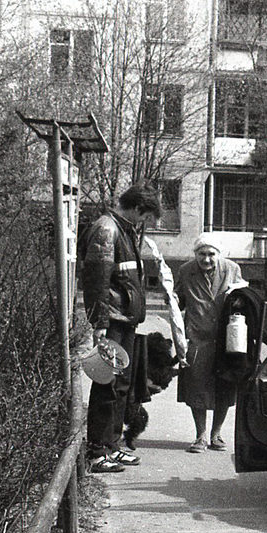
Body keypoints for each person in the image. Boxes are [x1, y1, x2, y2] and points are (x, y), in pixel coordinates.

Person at [80, 183, 163, 473]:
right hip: (112, 319)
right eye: (145, 216)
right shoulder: (107, 229)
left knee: (122, 386)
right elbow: (96, 279)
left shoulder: (123, 228)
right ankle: (97, 450)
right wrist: (99, 322)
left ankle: (113, 446)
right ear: (137, 208)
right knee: (107, 385)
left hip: (125, 318)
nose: (145, 222)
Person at [175, 233, 246, 453]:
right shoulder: (186, 271)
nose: (206, 259)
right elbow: (178, 300)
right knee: (197, 387)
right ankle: (200, 436)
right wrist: (173, 299)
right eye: (202, 254)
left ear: (219, 254)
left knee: (224, 387)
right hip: (198, 339)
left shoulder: (232, 269)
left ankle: (216, 435)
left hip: (226, 339)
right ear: (195, 254)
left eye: (211, 254)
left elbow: (242, 299)